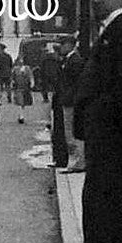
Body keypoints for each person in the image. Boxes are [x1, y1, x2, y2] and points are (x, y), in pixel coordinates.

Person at [62, 0, 122, 243]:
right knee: (107, 197)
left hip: (110, 133)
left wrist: (100, 119)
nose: (95, 1)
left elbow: (121, 86)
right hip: (107, 132)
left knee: (99, 198)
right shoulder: (110, 31)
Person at [54, 36, 85, 172]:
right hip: (68, 100)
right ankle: (75, 161)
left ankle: (78, 162)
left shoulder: (75, 61)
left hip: (71, 101)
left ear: (70, 45)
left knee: (71, 131)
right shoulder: (70, 59)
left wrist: (68, 96)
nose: (60, 47)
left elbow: (75, 83)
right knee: (69, 131)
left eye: (62, 44)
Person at [12, 57, 34, 124]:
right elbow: (13, 77)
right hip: (18, 87)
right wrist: (12, 82)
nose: (20, 62)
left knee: (24, 103)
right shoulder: (15, 69)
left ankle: (21, 115)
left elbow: (31, 76)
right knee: (20, 102)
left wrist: (32, 83)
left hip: (26, 87)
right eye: (19, 61)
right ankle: (21, 116)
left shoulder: (27, 68)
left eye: (22, 61)